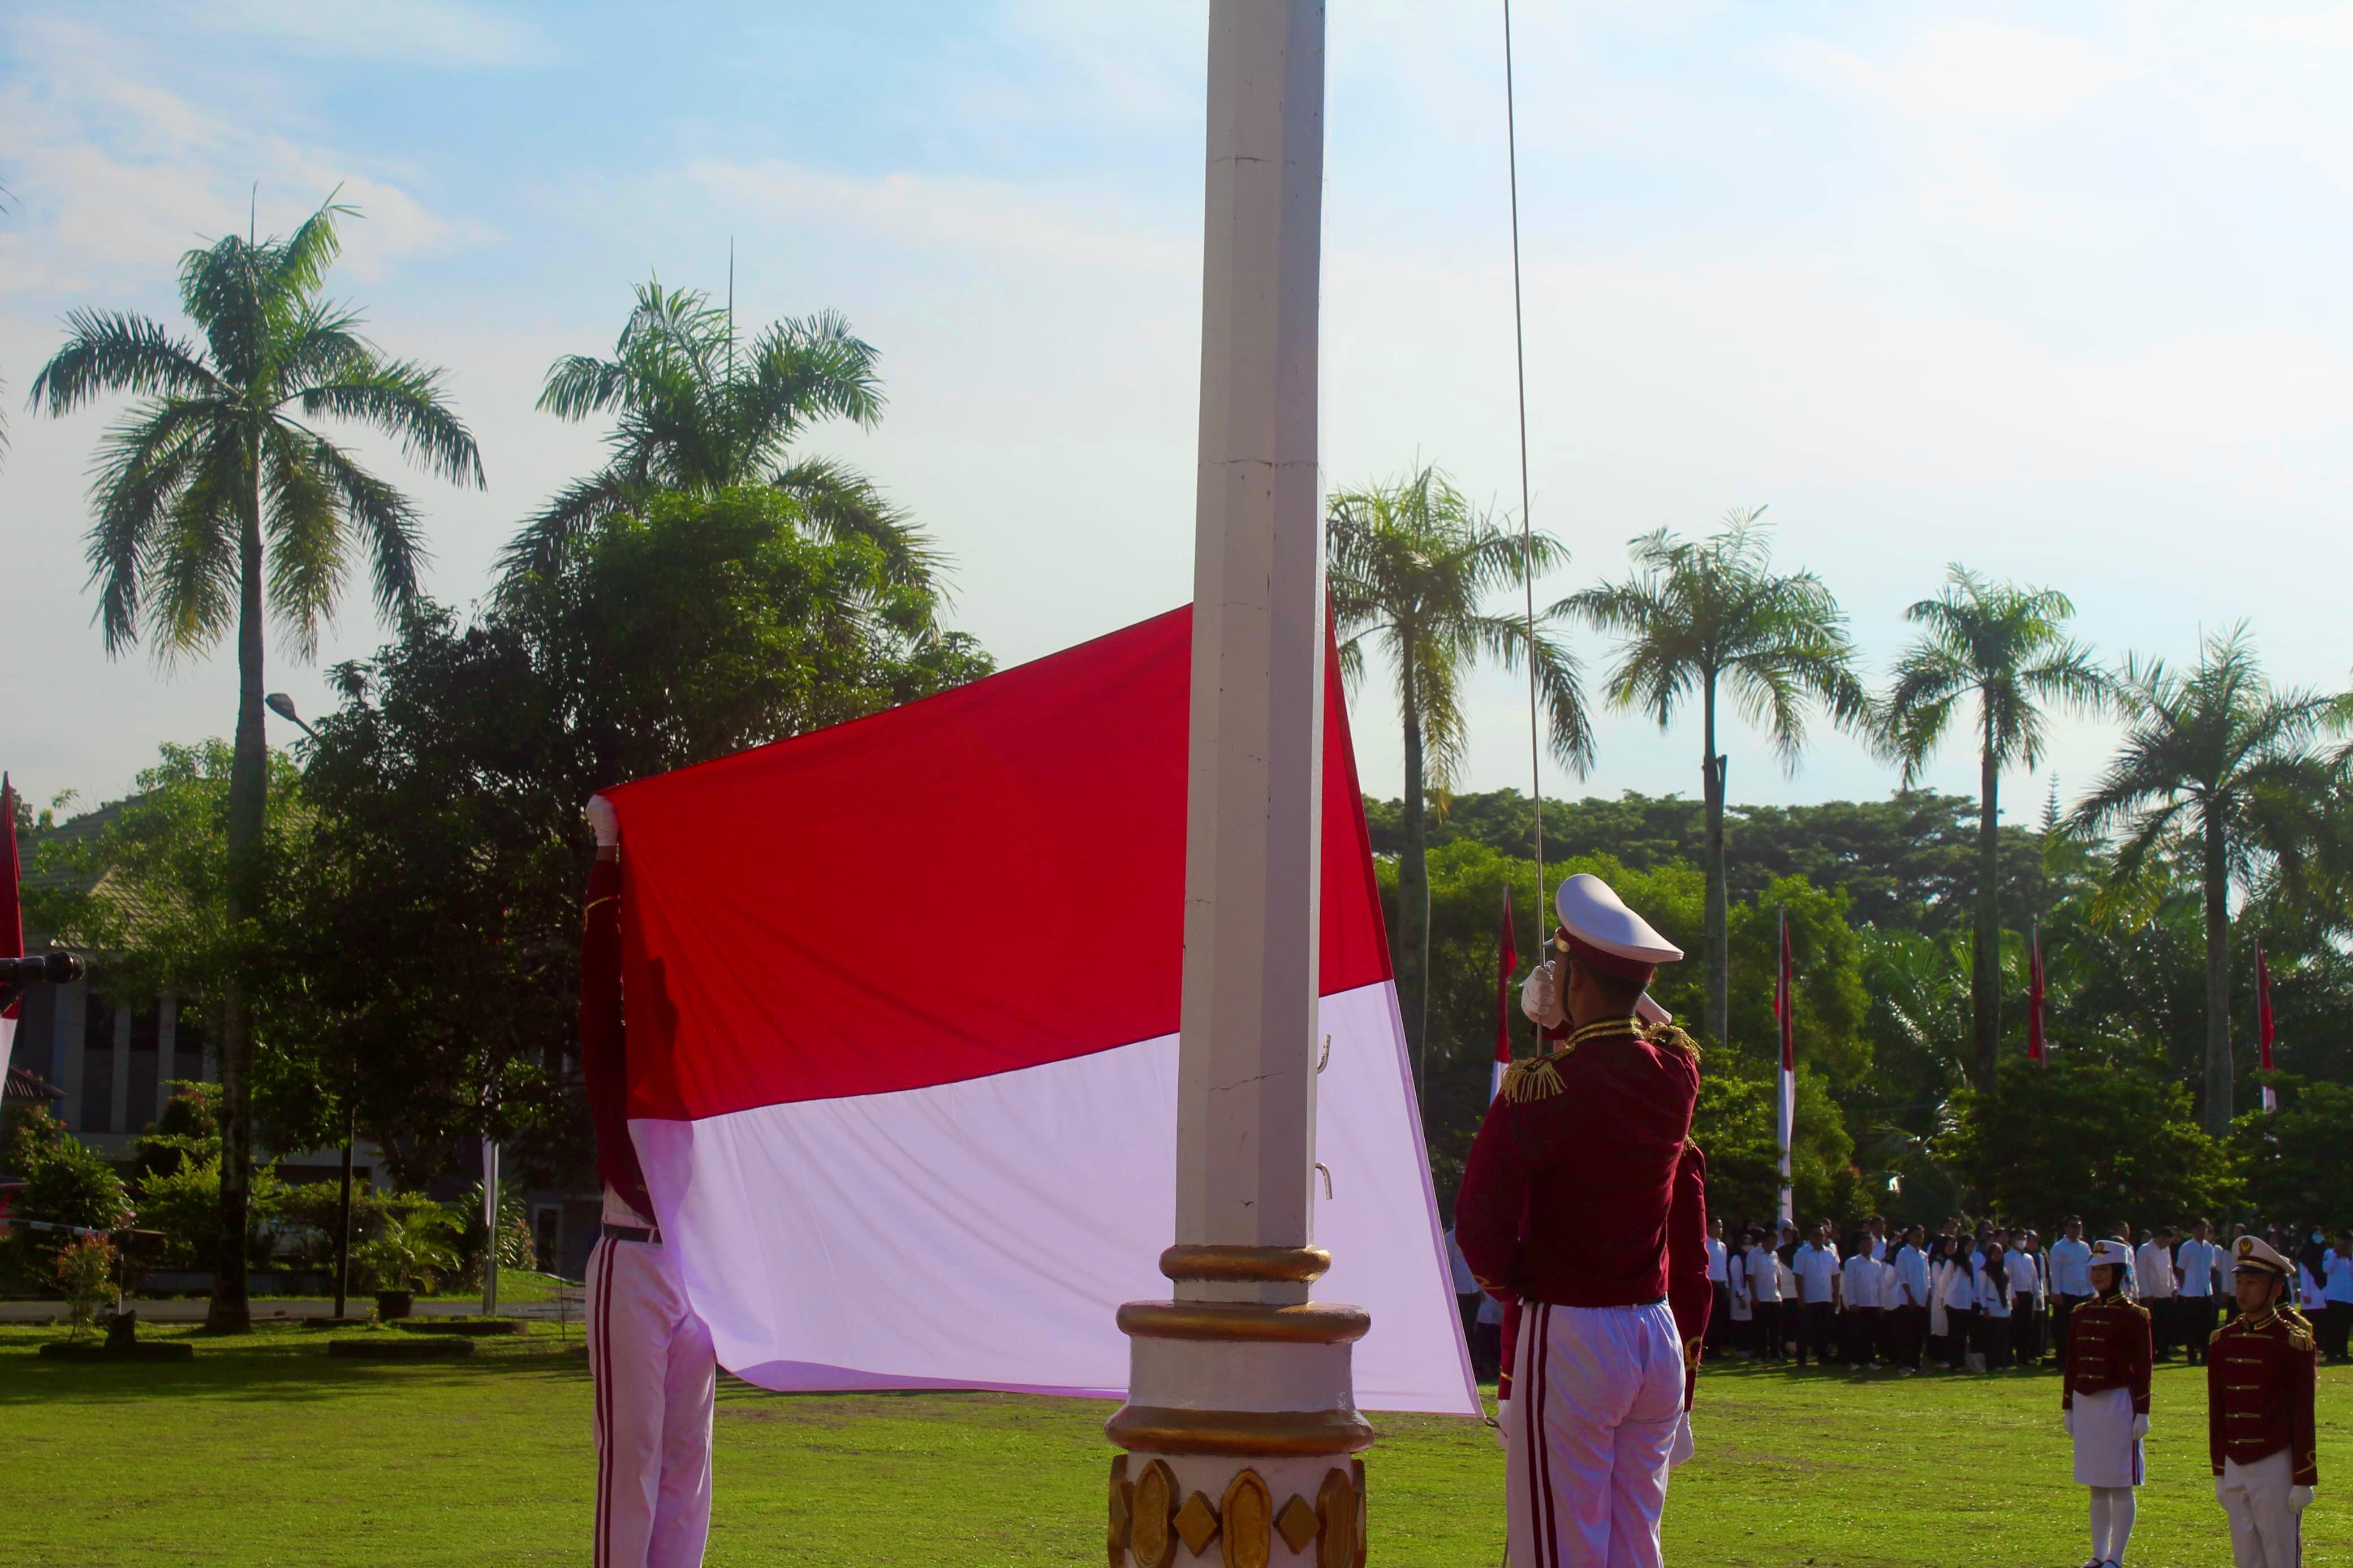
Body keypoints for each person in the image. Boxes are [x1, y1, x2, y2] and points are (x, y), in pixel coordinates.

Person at [1458, 872, 1710, 1568]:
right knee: (1634, 1543)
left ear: (1573, 980)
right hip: (1651, 1334)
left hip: (1569, 1325)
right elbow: (1667, 1033)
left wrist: (1517, 1289)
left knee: (1556, 1544)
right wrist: (1615, 987)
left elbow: (1479, 1227)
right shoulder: (1674, 1076)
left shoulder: (1540, 1088)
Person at [580, 794, 719, 1568]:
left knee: (686, 1464)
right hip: (630, 1256)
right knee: (630, 1459)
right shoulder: (615, 1056)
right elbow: (599, 977)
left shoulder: (703, 1065)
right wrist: (608, 854)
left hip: (694, 1265)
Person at [2209, 1235, 2318, 1567]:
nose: (2242, 1291)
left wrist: (2303, 1477)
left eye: (2252, 1283)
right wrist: (2219, 1470)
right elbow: (2219, 1411)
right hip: (2235, 1462)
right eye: (2239, 1282)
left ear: (2275, 1289)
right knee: (2246, 1556)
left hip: (2275, 1461)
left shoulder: (2292, 1343)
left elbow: (2303, 1415)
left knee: (2281, 1554)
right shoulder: (2223, 1341)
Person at [2065, 1239, 2151, 1568]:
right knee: (2096, 1485)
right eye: (2094, 1270)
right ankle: (2099, 1554)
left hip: (2119, 1403)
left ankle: (2117, 1556)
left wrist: (2143, 1411)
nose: (2097, 1276)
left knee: (2120, 1484)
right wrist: (2068, 1406)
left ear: (2118, 1272)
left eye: (2103, 1270)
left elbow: (2144, 1366)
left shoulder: (2134, 1315)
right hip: (2087, 1403)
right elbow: (2072, 1362)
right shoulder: (2081, 1313)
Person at [1793, 1223, 1839, 1367]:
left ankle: (1823, 1357)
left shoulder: (1830, 1253)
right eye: (1816, 1235)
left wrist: (1836, 1297)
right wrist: (1801, 1297)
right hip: (1809, 1298)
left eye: (1821, 1235)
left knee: (1823, 1330)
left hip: (1825, 1297)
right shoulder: (1802, 1253)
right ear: (1810, 1236)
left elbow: (1835, 1276)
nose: (1819, 1238)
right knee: (1806, 1330)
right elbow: (1798, 1277)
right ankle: (1802, 1358)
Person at [2179, 1220, 2222, 1365]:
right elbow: (2180, 1269)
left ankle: (2206, 1355)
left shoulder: (2210, 1248)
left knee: (2207, 1326)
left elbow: (2211, 1268)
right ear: (2193, 1231)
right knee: (2192, 1326)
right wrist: (2184, 1287)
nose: (2202, 1232)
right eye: (2199, 1229)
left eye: (2204, 1229)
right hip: (2192, 1292)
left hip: (2206, 1291)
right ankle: (2192, 1356)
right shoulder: (2187, 1247)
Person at [2052, 1217, 2095, 1359]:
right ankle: (2063, 1358)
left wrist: (2092, 1291)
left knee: (2083, 1327)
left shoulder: (2085, 1247)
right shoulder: (2059, 1248)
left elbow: (2088, 1270)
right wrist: (2056, 1292)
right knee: (2065, 1328)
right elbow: (2056, 1272)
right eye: (2074, 1226)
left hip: (2083, 1291)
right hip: (2066, 1293)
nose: (2077, 1229)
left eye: (2079, 1226)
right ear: (2066, 1228)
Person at [1891, 1224, 1930, 1375]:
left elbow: (1928, 1278)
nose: (1919, 1238)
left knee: (1919, 1335)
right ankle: (1905, 1364)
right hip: (1907, 1300)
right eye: (1916, 1235)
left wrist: (1927, 1298)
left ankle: (1916, 1363)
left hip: (1921, 1299)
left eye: (1921, 1235)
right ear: (1909, 1237)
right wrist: (1910, 1296)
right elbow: (1902, 1276)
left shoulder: (1923, 1255)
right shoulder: (1903, 1253)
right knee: (1907, 1334)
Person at [1842, 1229, 1881, 1368]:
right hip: (1859, 1303)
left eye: (1870, 1245)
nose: (1867, 1248)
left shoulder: (1877, 1264)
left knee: (1870, 1334)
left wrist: (1880, 1303)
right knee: (1857, 1334)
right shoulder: (1852, 1263)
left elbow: (1879, 1285)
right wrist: (1852, 1301)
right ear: (1859, 1247)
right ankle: (1854, 1360)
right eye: (1864, 1245)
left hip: (1873, 1303)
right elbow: (1850, 1284)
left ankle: (1869, 1360)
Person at [2138, 1226, 2178, 1363]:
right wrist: (2147, 1293)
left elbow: (2170, 1269)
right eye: (2167, 1242)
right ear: (2161, 1238)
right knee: (2154, 1326)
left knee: (2166, 1325)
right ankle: (2152, 1352)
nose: (2167, 1245)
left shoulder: (2166, 1250)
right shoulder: (2145, 1250)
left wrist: (2173, 1288)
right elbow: (2141, 1273)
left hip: (2165, 1293)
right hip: (2152, 1294)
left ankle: (2164, 1352)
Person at [1746, 1225, 1785, 1363]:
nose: (1773, 1246)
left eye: (1775, 1243)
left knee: (1776, 1330)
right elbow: (1751, 1276)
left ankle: (1776, 1355)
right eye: (1771, 1243)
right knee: (1761, 1329)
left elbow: (1777, 1276)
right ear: (1764, 1241)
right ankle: (1760, 1355)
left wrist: (1779, 1294)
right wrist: (1754, 1296)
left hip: (1774, 1297)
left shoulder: (1775, 1255)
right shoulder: (1754, 1254)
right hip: (1761, 1298)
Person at [2006, 1230, 2045, 1368]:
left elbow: (2034, 1278)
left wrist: (2038, 1294)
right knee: (2015, 1327)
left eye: (2024, 1238)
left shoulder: (2029, 1258)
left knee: (2028, 1327)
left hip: (2028, 1295)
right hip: (2017, 1295)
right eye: (2019, 1238)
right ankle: (2012, 1356)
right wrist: (2013, 1297)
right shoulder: (2009, 1257)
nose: (2022, 1241)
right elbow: (2008, 1279)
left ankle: (2024, 1356)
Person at [1977, 1232, 2012, 1371]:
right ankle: (1993, 1364)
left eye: (2000, 1253)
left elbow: (2008, 1291)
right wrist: (1985, 1308)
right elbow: (1982, 1291)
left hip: (2004, 1308)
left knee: (2003, 1339)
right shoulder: (1984, 1271)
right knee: (1993, 1339)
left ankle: (2003, 1363)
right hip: (1991, 1309)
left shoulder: (2004, 1271)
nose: (1998, 1256)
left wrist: (2010, 1309)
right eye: (1995, 1253)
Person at [2324, 1230, 2353, 1365]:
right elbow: (2327, 1269)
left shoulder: (2351, 1256)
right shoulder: (2329, 1253)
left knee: (2345, 1327)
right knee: (2333, 1326)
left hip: (2348, 1297)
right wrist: (2336, 1254)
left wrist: (2349, 1257)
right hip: (2334, 1296)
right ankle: (2331, 1353)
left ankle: (2344, 1352)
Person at [1704, 1216, 1731, 1359]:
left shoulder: (1723, 1246)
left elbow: (1724, 1267)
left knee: (1720, 1319)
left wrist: (1726, 1284)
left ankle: (1717, 1349)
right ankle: (1707, 1349)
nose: (1720, 1230)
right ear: (1709, 1228)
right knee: (1710, 1318)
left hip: (1721, 1283)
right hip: (1711, 1282)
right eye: (1717, 1227)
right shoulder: (1706, 1244)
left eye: (1721, 1227)